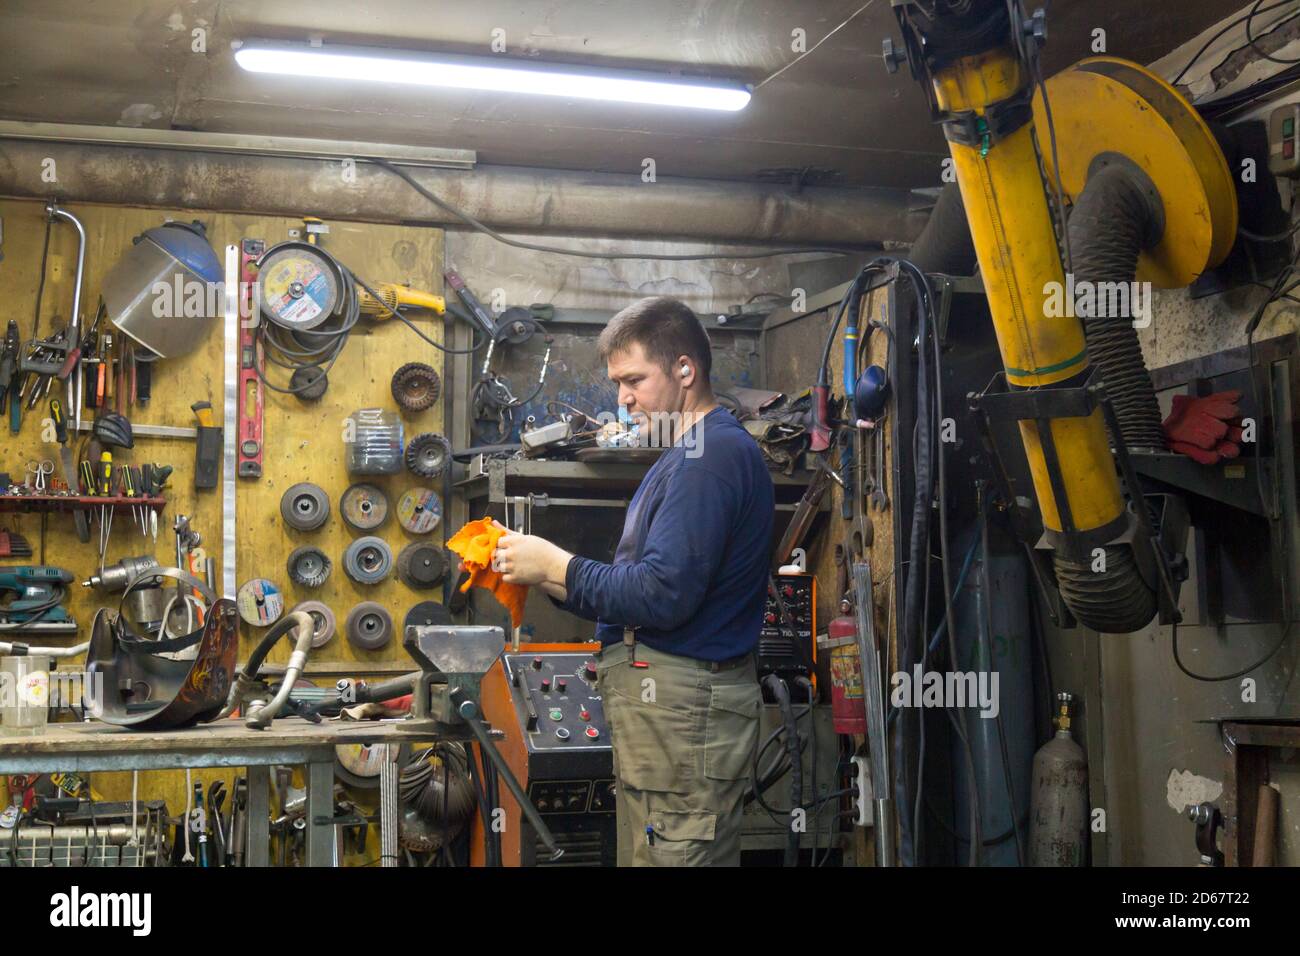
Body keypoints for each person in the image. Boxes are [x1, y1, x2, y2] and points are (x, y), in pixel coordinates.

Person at [491, 295, 775, 866]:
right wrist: (540, 573)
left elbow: (662, 595)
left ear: (685, 370)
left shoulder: (710, 455)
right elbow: (634, 597)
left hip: (684, 714)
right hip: (668, 719)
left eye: (634, 380)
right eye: (617, 382)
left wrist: (556, 563)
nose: (621, 397)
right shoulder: (683, 455)